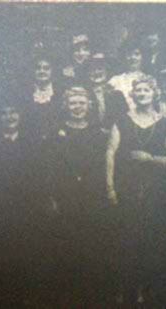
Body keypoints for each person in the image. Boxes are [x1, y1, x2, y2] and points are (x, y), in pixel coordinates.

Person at [106, 74, 166, 305]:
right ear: (133, 95)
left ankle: (147, 291)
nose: (142, 93)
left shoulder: (165, 123)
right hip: (127, 190)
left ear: (154, 94)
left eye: (147, 90)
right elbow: (110, 155)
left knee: (152, 242)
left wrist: (150, 158)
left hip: (156, 192)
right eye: (139, 90)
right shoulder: (122, 121)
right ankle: (126, 288)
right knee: (126, 241)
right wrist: (110, 188)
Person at [43, 86, 110, 305]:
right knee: (66, 245)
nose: (78, 107)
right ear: (66, 106)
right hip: (65, 197)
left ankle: (91, 296)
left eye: (82, 103)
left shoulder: (100, 132)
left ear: (89, 105)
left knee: (92, 244)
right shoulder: (55, 131)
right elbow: (49, 168)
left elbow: (104, 165)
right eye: (73, 103)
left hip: (92, 196)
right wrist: (51, 197)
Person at [84, 52, 128, 132]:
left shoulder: (117, 95)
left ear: (107, 71)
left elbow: (124, 119)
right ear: (87, 73)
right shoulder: (84, 94)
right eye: (93, 70)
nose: (96, 72)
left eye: (100, 69)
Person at [108, 39, 148, 111]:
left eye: (136, 54)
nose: (133, 57)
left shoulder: (148, 79)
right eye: (129, 54)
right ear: (124, 57)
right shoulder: (115, 80)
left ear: (143, 56)